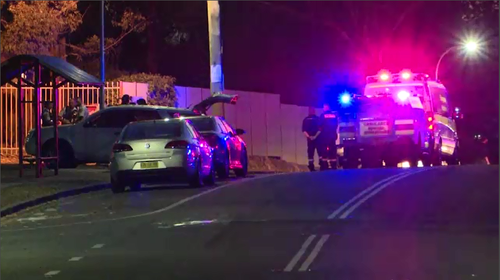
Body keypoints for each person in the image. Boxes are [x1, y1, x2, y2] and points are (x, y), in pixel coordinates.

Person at [318, 102, 339, 170]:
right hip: (332, 135)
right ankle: (333, 166)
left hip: (325, 136)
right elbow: (336, 124)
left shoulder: (323, 115)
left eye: (324, 107)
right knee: (332, 150)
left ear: (326, 107)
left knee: (324, 150)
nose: (323, 108)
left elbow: (320, 125)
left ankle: (324, 166)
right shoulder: (334, 115)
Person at [302, 107, 321, 171]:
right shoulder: (318, 119)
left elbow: (304, 130)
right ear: (314, 111)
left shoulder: (306, 119)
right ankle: (322, 165)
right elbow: (320, 129)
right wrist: (315, 136)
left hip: (310, 139)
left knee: (310, 152)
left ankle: (311, 166)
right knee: (320, 152)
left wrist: (309, 137)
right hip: (318, 138)